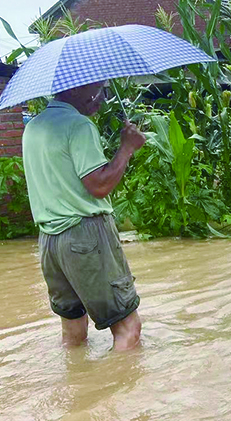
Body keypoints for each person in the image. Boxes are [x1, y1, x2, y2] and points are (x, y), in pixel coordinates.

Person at [22, 81, 146, 351]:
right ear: (76, 88)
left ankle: (79, 389)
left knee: (73, 332)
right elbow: (99, 186)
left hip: (50, 244)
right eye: (98, 89)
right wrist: (127, 148)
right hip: (85, 237)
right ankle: (118, 392)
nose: (101, 98)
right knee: (129, 328)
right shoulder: (78, 126)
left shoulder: (33, 126)